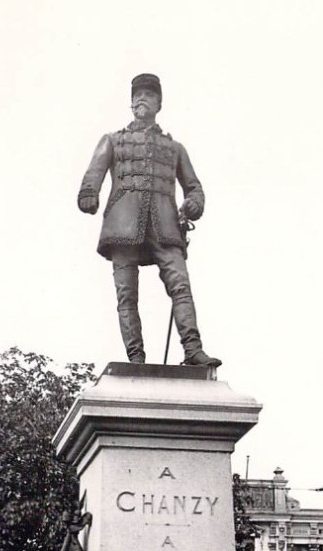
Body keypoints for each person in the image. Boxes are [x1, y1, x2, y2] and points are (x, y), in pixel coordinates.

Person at [78, 73, 221, 368]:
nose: (141, 99)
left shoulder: (174, 148)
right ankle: (136, 357)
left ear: (159, 103)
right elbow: (93, 174)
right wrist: (88, 193)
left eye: (148, 95)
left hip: (166, 227)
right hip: (122, 224)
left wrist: (193, 204)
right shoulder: (113, 141)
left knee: (180, 285)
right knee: (127, 295)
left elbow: (194, 187)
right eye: (137, 95)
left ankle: (193, 349)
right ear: (131, 103)